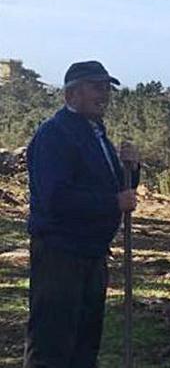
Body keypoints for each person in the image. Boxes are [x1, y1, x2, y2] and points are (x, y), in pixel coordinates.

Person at [24, 60, 140, 367]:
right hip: (60, 255)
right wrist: (113, 203)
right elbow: (55, 198)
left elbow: (113, 188)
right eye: (96, 87)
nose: (104, 95)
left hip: (91, 254)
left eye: (106, 88)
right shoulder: (55, 135)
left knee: (85, 344)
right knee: (52, 345)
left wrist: (132, 169)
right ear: (71, 95)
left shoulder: (95, 132)